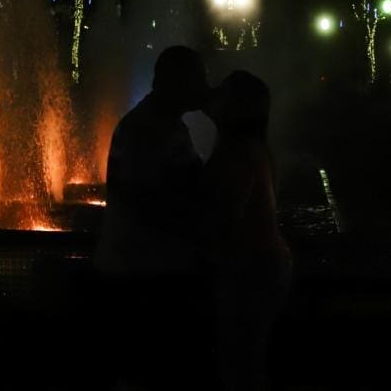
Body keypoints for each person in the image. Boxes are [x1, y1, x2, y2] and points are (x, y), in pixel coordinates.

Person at [95, 45, 214, 388]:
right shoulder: (151, 129)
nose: (205, 87)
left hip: (140, 267)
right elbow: (166, 198)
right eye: (198, 78)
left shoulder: (159, 124)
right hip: (143, 275)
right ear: (178, 82)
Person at [204, 70, 292, 391]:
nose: (211, 97)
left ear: (235, 106)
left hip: (249, 269)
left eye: (221, 94)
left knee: (239, 364)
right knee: (248, 361)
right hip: (264, 264)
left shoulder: (238, 151)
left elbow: (226, 214)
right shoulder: (255, 147)